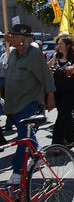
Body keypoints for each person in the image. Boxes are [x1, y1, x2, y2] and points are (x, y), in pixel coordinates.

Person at [4, 24, 56, 185]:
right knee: (25, 133)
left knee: (22, 136)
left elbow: (46, 76)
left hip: (28, 101)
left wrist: (50, 96)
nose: (10, 37)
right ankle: (38, 154)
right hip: (12, 102)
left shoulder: (34, 55)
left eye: (13, 35)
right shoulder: (12, 53)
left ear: (22, 38)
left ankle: (17, 171)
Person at [48, 34, 74, 148]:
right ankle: (71, 138)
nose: (59, 46)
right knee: (64, 114)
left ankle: (56, 143)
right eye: (58, 43)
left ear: (68, 45)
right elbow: (47, 67)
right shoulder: (56, 56)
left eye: (61, 44)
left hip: (71, 91)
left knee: (62, 116)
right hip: (58, 89)